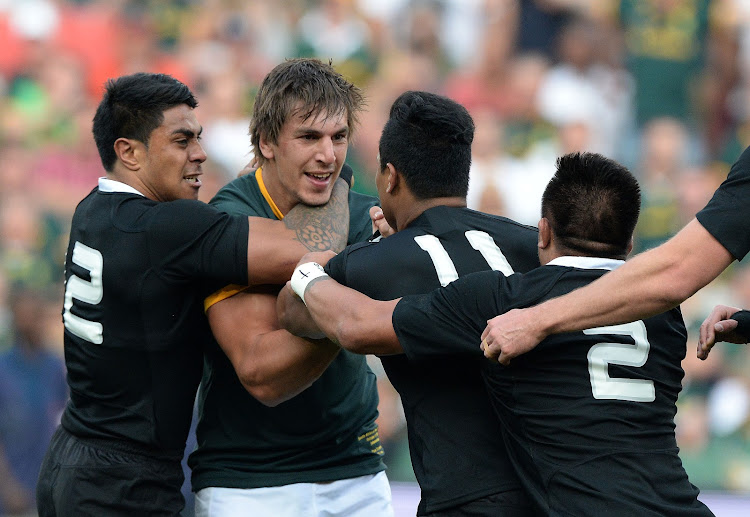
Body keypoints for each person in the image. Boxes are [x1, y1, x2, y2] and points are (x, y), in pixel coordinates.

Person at [284, 152, 714, 516]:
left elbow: (357, 326)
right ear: (631, 243)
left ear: (542, 232)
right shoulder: (666, 316)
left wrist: (307, 275)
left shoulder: (506, 302)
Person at [35, 72, 352, 517]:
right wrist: (334, 176)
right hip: (124, 485)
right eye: (182, 141)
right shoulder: (167, 228)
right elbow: (316, 246)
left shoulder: (93, 208)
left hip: (73, 460)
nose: (200, 153)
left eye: (198, 138)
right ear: (128, 151)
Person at [279, 90, 539, 516]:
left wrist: (311, 270)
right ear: (463, 174)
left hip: (464, 498)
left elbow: (292, 312)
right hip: (555, 490)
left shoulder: (373, 264)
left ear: (390, 177)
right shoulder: (532, 245)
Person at [188, 58, 392, 517]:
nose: (328, 154)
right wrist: (351, 304)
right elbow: (263, 375)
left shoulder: (367, 215)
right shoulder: (231, 218)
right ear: (266, 142)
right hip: (250, 481)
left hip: (357, 470)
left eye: (338, 137)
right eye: (308, 137)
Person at [478, 143, 750, 366]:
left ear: (544, 232)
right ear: (630, 243)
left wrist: (534, 321)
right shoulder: (670, 323)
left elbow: (676, 272)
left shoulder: (501, 297)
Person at [0, 285, 67, 516]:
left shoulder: (54, 368)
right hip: (11, 495)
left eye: (35, 315)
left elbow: (62, 424)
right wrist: (7, 487)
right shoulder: (3, 369)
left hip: (46, 490)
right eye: (23, 316)